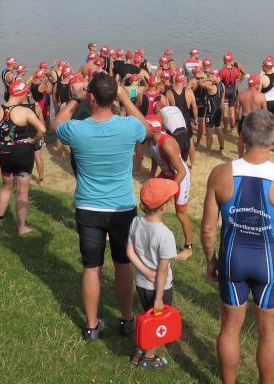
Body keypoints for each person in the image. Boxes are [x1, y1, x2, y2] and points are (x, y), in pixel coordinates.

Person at [201, 109, 274, 384]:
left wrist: (211, 260)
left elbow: (208, 229)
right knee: (269, 333)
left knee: (230, 328)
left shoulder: (220, 174)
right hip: (268, 265)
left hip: (232, 259)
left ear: (242, 138)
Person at [54, 72, 151, 341]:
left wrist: (75, 100)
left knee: (92, 267)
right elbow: (147, 128)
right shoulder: (129, 126)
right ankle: (127, 319)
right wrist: (125, 98)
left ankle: (91, 326)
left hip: (88, 207)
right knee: (122, 264)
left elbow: (56, 125)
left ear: (91, 98)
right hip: (122, 208)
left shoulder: (77, 129)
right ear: (113, 97)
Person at [0, 80, 45, 234]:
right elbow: (42, 129)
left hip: (4, 152)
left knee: (6, 187)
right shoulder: (25, 111)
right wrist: (33, 140)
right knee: (22, 191)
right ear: (22, 93)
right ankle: (21, 227)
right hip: (23, 153)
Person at [126, 178, 180, 369]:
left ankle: (139, 352)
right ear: (164, 206)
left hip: (142, 284)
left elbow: (129, 251)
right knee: (156, 324)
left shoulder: (136, 221)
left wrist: (145, 272)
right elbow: (163, 270)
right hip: (159, 289)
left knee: (146, 317)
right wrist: (159, 298)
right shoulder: (165, 235)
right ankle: (148, 357)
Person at [147, 118, 193, 259]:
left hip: (180, 176)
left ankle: (188, 248)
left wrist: (170, 191)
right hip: (167, 173)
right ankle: (154, 237)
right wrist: (152, 174)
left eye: (144, 127)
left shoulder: (167, 144)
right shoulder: (150, 140)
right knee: (150, 203)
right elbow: (155, 156)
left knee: (181, 213)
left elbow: (182, 171)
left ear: (153, 130)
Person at [165, 73, 198, 166]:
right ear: (183, 81)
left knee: (175, 142)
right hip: (186, 120)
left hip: (174, 122)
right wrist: (195, 119)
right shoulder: (189, 91)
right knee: (190, 141)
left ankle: (176, 162)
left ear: (175, 80)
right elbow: (194, 107)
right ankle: (193, 163)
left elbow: (167, 110)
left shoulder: (169, 93)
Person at [235, 74, 267, 157]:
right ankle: (251, 157)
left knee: (241, 140)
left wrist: (236, 120)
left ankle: (240, 157)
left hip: (244, 119)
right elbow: (265, 111)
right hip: (255, 120)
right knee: (254, 141)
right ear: (256, 84)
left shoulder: (241, 94)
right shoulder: (261, 96)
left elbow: (237, 109)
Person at [201, 69, 225, 154]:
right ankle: (221, 149)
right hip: (218, 110)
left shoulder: (211, 87)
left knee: (209, 132)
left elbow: (199, 82)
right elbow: (222, 100)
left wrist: (207, 79)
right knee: (219, 130)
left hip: (210, 112)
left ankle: (208, 151)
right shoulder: (222, 85)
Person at [219, 52, 244, 133]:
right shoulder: (236, 70)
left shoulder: (222, 71)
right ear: (230, 61)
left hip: (225, 91)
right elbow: (239, 78)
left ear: (224, 61)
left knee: (225, 112)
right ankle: (232, 128)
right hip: (233, 91)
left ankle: (225, 128)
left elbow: (219, 82)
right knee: (232, 110)